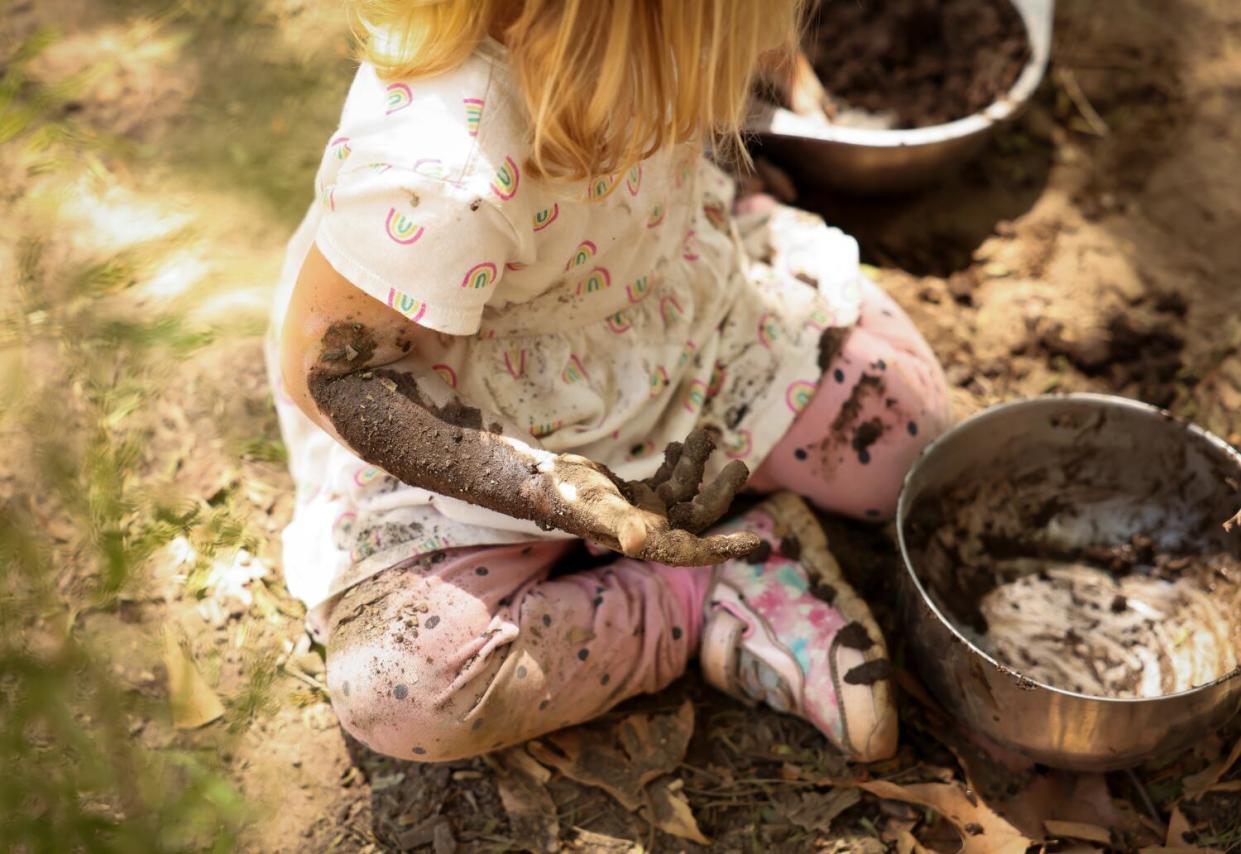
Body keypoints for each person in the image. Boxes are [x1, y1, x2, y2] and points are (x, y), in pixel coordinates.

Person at [266, 0, 950, 765]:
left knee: (910, 444)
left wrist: (765, 57)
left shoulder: (651, 35)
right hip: (487, 426)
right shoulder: (439, 171)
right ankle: (703, 595)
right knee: (409, 690)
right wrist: (532, 484)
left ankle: (763, 228)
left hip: (668, 319)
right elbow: (330, 371)